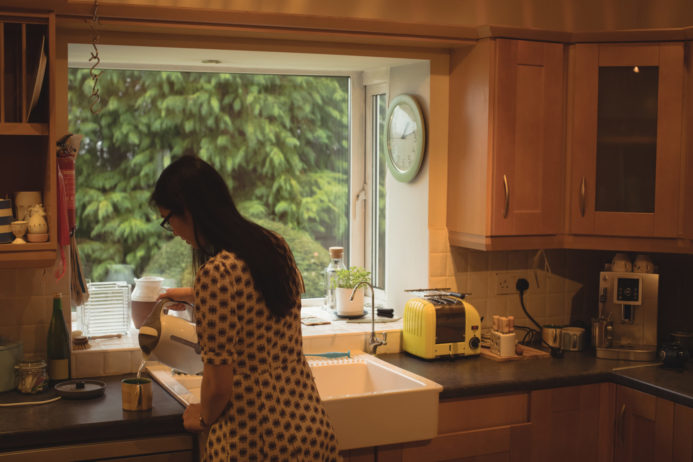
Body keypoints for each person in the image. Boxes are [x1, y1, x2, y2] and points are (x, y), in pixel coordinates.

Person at [151, 155, 340, 461]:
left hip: (255, 440)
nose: (172, 230)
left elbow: (218, 386)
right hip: (310, 431)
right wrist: (192, 294)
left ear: (190, 211)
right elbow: (255, 296)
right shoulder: (274, 245)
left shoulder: (215, 274)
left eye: (168, 219)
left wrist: (202, 418)